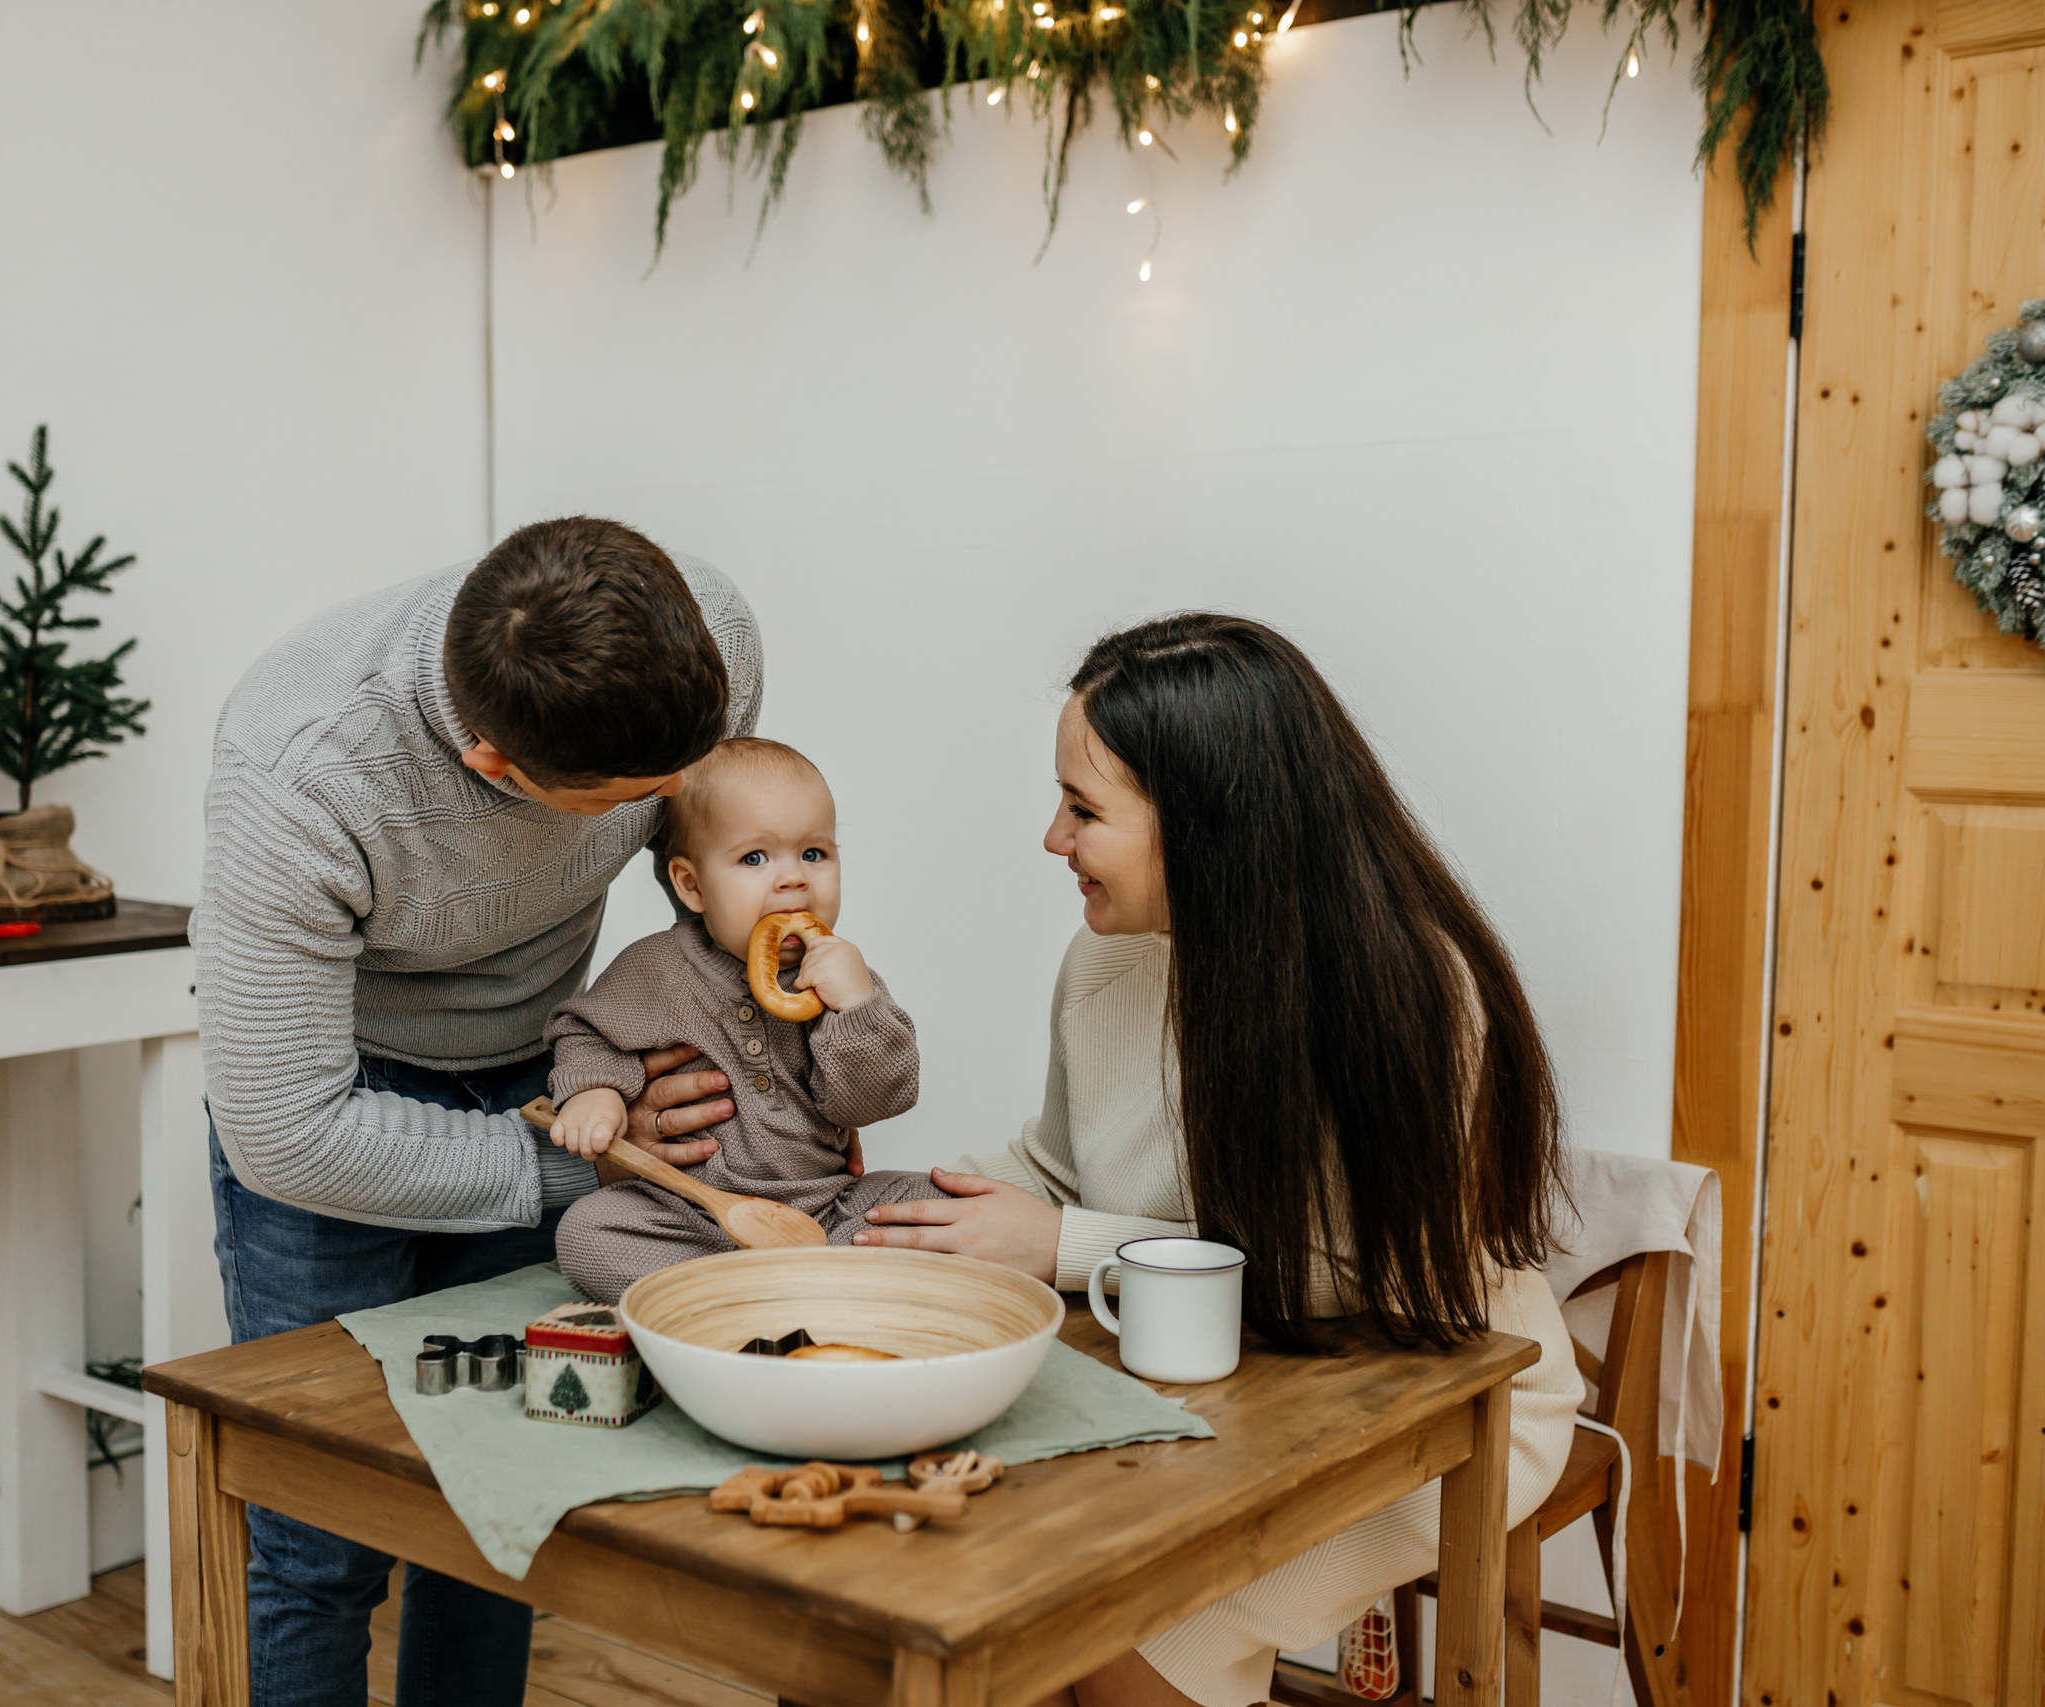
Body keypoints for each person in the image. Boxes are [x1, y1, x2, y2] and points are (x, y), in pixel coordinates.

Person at [852, 613, 1583, 1707]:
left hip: (1426, 1403)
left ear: (1203, 825)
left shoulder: (1411, 996)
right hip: (1203, 1387)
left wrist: (1060, 1248)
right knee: (953, 1603)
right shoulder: (1105, 960)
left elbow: (1360, 1273)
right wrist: (889, 1217)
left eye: (1084, 809)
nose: (1053, 839)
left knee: (1113, 1638)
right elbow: (1053, 1162)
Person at [193, 517, 759, 1707]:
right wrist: (585, 1165)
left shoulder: (713, 640)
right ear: (498, 766)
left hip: (554, 1074)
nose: (670, 808)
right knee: (318, 1545)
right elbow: (287, 1131)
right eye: (636, 801)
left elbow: (713, 875)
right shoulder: (299, 771)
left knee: (503, 1504)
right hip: (340, 1108)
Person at [546, 736, 930, 1302]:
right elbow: (585, 1032)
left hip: (826, 1207)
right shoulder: (656, 970)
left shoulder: (843, 979)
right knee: (587, 1233)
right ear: (692, 885)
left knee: (934, 1200)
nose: (794, 879)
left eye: (814, 853)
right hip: (690, 1213)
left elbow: (875, 1103)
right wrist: (595, 1092)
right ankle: (772, 1295)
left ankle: (761, 1293)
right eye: (755, 858)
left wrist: (857, 1009)